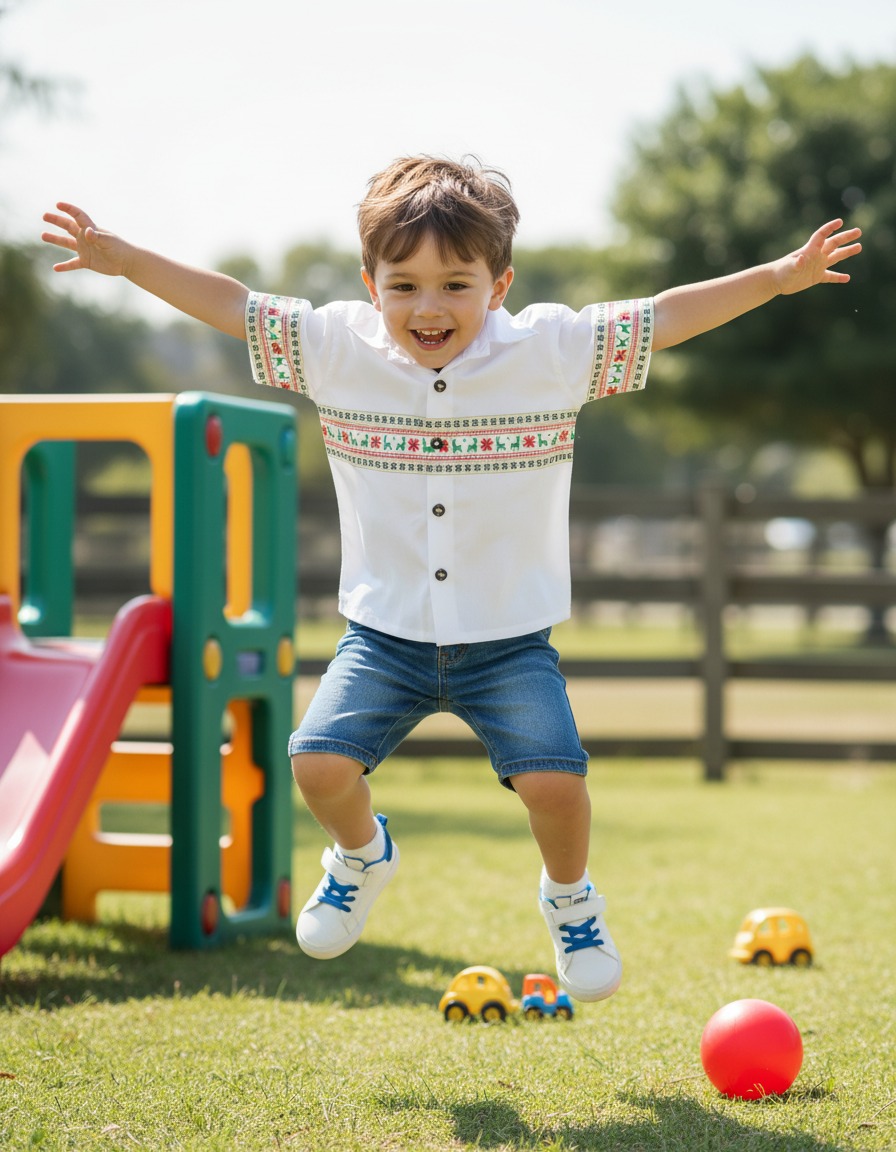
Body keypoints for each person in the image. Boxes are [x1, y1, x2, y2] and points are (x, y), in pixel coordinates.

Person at [42, 156, 861, 1003]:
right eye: (403, 286)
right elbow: (233, 304)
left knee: (557, 782)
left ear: (499, 284)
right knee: (316, 764)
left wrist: (777, 276)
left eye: (455, 285)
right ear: (370, 284)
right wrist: (127, 261)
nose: (428, 308)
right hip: (385, 634)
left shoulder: (553, 352)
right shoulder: (332, 349)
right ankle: (362, 856)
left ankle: (571, 899)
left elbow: (663, 316)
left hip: (508, 639)